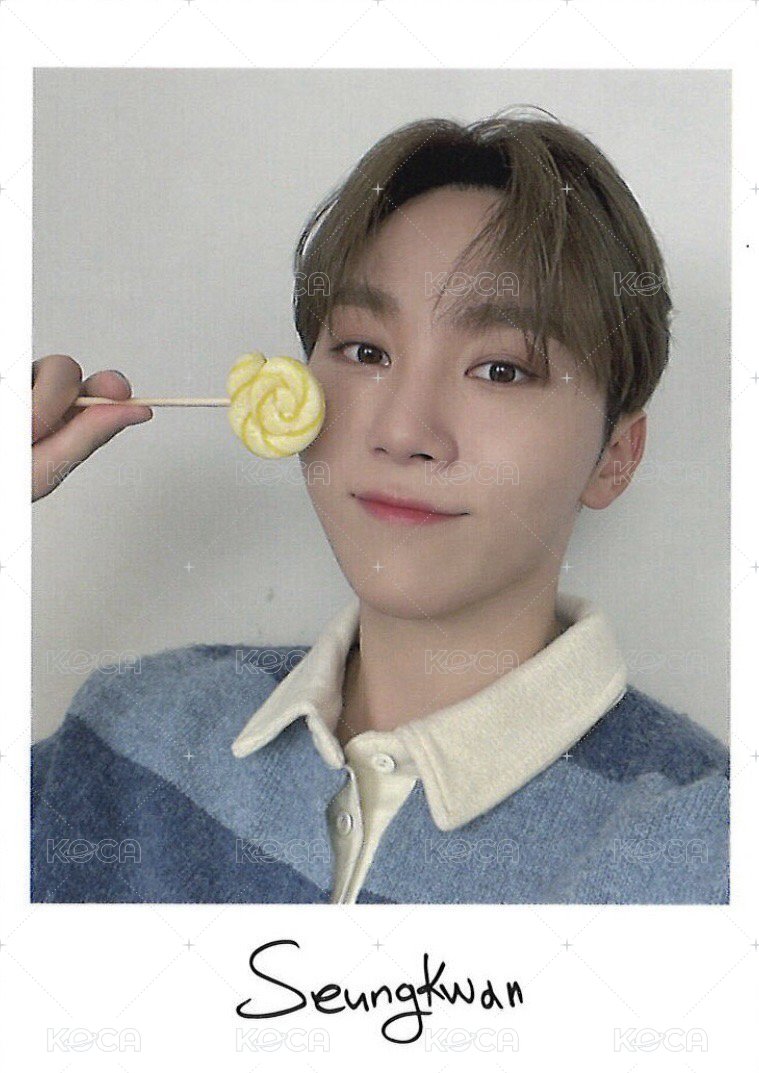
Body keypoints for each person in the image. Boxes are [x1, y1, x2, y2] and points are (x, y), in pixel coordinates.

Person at [31, 105, 728, 904]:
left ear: (614, 455)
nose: (402, 432)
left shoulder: (708, 854)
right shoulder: (128, 732)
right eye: (365, 351)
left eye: (500, 369)